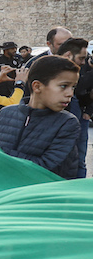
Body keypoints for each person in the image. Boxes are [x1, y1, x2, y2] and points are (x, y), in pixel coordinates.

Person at [0, 55, 81, 179]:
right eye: (64, 86)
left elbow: (44, 168)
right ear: (37, 86)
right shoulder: (5, 114)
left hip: (38, 195)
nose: (70, 94)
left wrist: (0, 155)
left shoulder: (67, 123)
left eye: (73, 87)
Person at [56, 37, 92, 178]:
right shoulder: (46, 70)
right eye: (81, 58)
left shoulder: (83, 68)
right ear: (68, 55)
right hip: (63, 124)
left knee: (78, 162)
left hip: (79, 119)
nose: (83, 62)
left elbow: (84, 93)